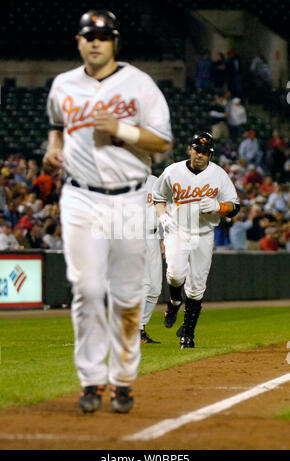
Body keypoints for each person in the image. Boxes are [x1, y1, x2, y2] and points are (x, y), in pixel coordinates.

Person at [43, 10, 172, 413]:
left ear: (115, 42)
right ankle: (92, 379)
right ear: (79, 42)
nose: (96, 41)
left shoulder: (140, 84)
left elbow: (163, 143)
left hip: (131, 199)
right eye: (89, 35)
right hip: (81, 198)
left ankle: (123, 380)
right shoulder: (63, 84)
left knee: (127, 295)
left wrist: (121, 130)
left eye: (104, 35)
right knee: (87, 289)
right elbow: (55, 121)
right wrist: (53, 149)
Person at [153, 132, 240, 348]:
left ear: (210, 154)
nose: (200, 155)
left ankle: (188, 334)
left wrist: (219, 207)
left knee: (197, 287)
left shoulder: (219, 175)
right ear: (190, 149)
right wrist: (163, 216)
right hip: (178, 231)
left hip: (203, 233)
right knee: (174, 275)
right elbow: (158, 197)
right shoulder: (173, 171)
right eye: (197, 150)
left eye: (205, 151)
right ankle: (174, 301)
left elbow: (235, 207)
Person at [140, 156, 164, 344]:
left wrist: (164, 238)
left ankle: (140, 327)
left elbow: (163, 210)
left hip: (154, 237)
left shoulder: (155, 181)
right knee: (145, 284)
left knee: (155, 288)